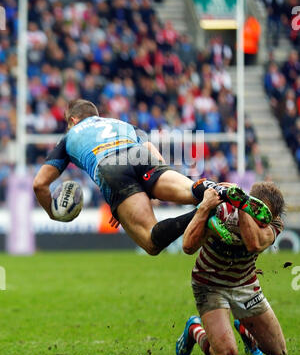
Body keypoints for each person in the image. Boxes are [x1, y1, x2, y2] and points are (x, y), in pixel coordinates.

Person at [33, 99, 272, 256]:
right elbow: (151, 152)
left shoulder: (71, 134)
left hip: (110, 169)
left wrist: (54, 212)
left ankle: (203, 213)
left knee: (151, 241)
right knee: (191, 190)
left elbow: (39, 184)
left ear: (73, 120)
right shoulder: (121, 124)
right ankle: (216, 192)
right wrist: (146, 190)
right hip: (139, 155)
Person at [176, 181, 287, 355]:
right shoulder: (222, 209)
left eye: (267, 217)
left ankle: (247, 332)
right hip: (210, 285)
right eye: (258, 212)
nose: (263, 221)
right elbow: (188, 246)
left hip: (245, 285)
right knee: (226, 353)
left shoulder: (275, 224)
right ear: (252, 203)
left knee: (278, 352)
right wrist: (205, 207)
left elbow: (254, 243)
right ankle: (194, 329)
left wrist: (242, 207)